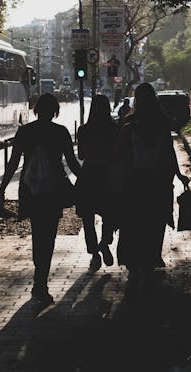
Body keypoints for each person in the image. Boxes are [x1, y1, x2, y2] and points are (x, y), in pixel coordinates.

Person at [0, 93, 81, 305]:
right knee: (48, 236)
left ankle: (39, 276)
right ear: (54, 111)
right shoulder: (60, 132)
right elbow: (72, 163)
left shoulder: (25, 132)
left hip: (30, 189)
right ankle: (40, 281)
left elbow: (13, 163)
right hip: (53, 191)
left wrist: (2, 190)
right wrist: (88, 180)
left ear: (36, 110)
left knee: (37, 233)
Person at [113, 82, 189, 294]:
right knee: (154, 226)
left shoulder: (129, 127)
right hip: (158, 184)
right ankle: (147, 268)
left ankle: (134, 268)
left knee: (133, 226)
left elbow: (116, 155)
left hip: (134, 184)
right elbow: (170, 154)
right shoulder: (163, 126)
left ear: (137, 101)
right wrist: (179, 175)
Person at [76, 94, 120, 270]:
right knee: (109, 214)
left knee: (88, 217)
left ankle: (94, 253)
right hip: (108, 175)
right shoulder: (115, 129)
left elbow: (80, 155)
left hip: (89, 175)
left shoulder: (84, 130)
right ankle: (105, 242)